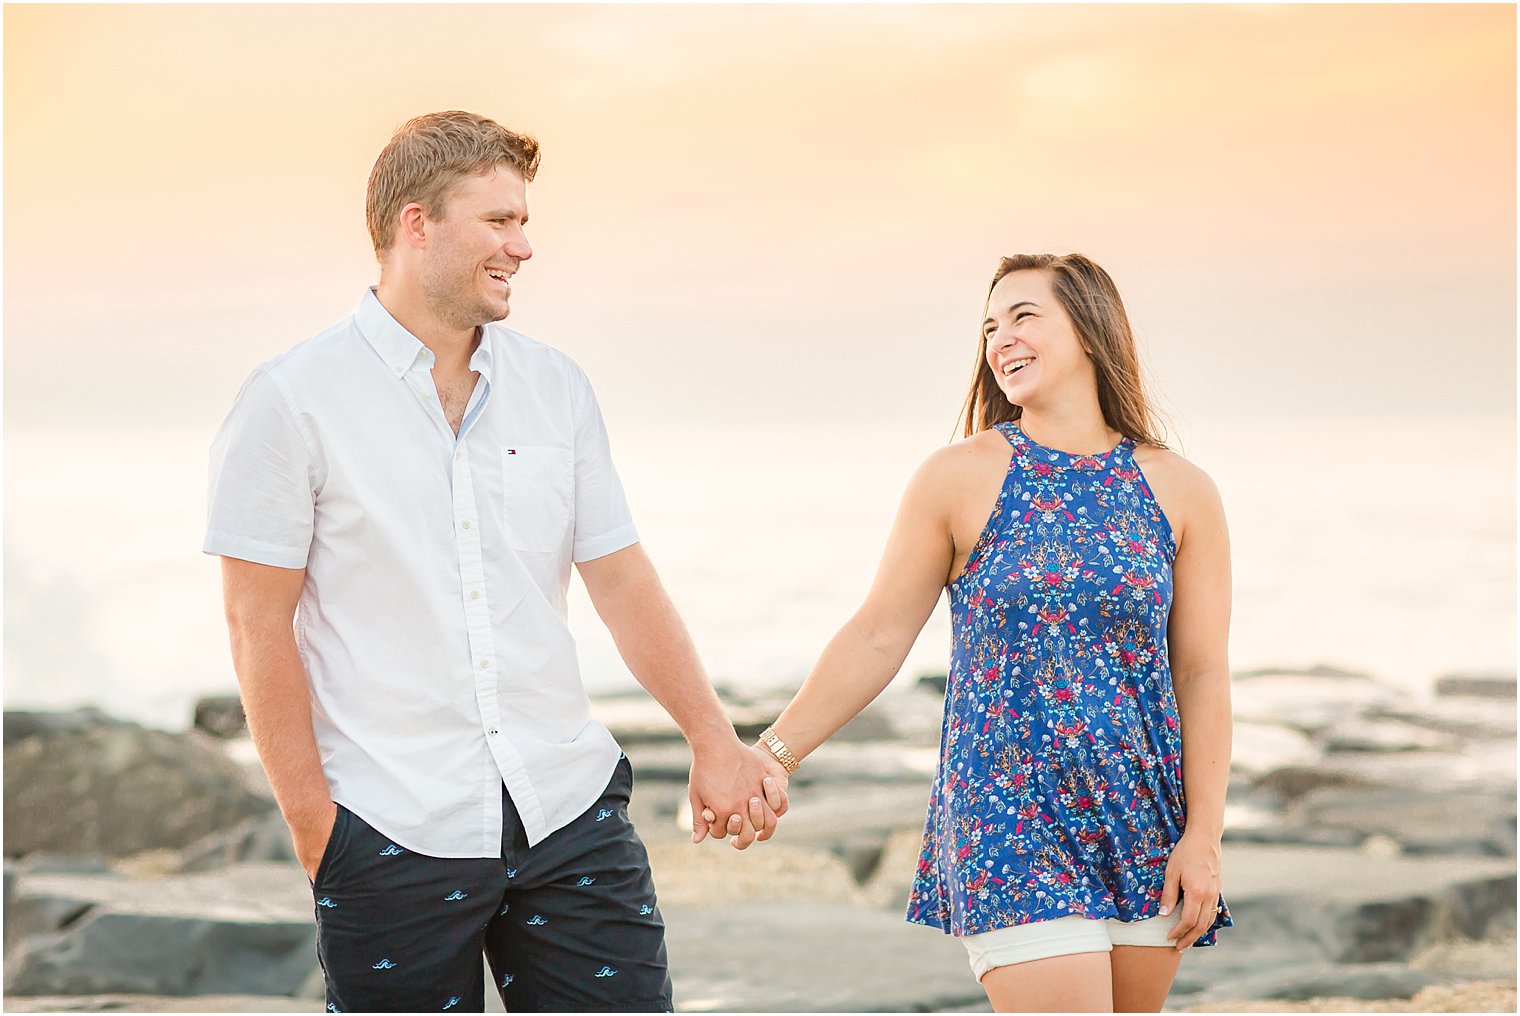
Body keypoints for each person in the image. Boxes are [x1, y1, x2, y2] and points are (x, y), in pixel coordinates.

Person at [204, 110, 787, 1014]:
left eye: (524, 222)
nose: (522, 246)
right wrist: (316, 829)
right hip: (390, 827)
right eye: (500, 220)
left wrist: (714, 740)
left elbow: (622, 579)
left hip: (567, 811)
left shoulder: (557, 387)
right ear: (416, 224)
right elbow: (256, 621)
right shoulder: (291, 401)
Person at [746, 253, 1233, 1012]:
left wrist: (1203, 835)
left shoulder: (1181, 489)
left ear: (1091, 331)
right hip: (1010, 816)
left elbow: (1200, 673)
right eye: (989, 327)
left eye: (1024, 316)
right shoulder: (958, 477)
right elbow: (878, 634)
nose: (1000, 338)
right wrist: (773, 754)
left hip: (1141, 817)